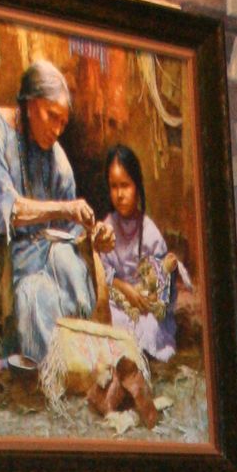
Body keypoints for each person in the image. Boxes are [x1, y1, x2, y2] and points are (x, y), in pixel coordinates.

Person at [0, 59, 98, 369]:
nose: (56, 130)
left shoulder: (57, 158)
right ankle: (52, 370)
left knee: (69, 266)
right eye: (52, 117)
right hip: (8, 260)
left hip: (48, 257)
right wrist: (67, 208)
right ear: (28, 103)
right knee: (36, 295)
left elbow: (72, 231)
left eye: (63, 123)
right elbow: (8, 210)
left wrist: (94, 236)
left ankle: (76, 365)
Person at [93, 142, 187, 364]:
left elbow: (165, 281)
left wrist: (149, 294)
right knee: (111, 324)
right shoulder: (107, 227)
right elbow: (102, 273)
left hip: (145, 307)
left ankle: (137, 357)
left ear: (137, 186)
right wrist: (124, 289)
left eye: (125, 185)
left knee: (150, 327)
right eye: (113, 186)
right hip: (118, 304)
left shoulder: (149, 231)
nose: (120, 194)